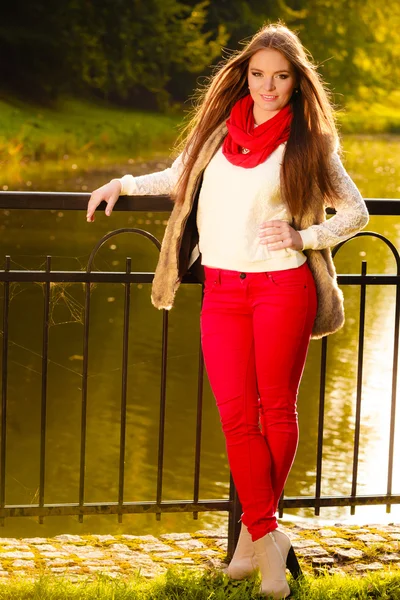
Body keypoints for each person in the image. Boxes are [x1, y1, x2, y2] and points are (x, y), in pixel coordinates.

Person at [86, 22, 369, 600]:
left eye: (281, 77)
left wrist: (305, 238)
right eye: (258, 74)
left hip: (282, 290)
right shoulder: (217, 134)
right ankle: (268, 541)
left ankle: (256, 553)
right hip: (222, 293)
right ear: (245, 75)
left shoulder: (311, 144)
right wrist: (122, 182)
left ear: (296, 83)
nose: (267, 86)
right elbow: (178, 178)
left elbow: (356, 212)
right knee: (237, 418)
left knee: (276, 411)